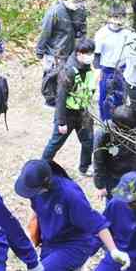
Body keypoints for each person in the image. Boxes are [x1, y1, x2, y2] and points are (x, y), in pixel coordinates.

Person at [13, 159, 130, 271]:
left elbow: (97, 223)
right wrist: (33, 231)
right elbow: (38, 210)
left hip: (75, 245)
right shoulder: (35, 190)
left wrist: (114, 250)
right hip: (50, 242)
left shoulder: (69, 194)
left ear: (47, 183)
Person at [42, 38, 96, 175]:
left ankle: (84, 168)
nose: (91, 56)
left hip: (83, 112)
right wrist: (61, 121)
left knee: (88, 141)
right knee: (55, 143)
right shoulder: (69, 71)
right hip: (67, 113)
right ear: (79, 54)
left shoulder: (87, 68)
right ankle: (41, 168)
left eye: (92, 53)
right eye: (88, 53)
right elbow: (61, 97)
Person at [93, 105, 136, 200]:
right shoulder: (104, 133)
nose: (132, 132)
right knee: (117, 206)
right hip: (114, 178)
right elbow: (98, 160)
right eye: (129, 130)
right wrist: (100, 186)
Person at [93, 3, 133, 122]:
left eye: (121, 17)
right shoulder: (101, 33)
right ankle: (106, 123)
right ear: (109, 17)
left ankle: (120, 123)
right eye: (115, 17)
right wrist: (97, 72)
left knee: (121, 97)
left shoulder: (128, 33)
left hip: (123, 69)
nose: (118, 20)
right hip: (107, 69)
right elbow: (97, 56)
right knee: (105, 99)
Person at [34, 0, 86, 73]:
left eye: (79, 2)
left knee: (66, 79)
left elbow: (82, 31)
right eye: (75, 1)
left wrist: (82, 49)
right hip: (53, 53)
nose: (77, 5)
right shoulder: (54, 12)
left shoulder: (80, 11)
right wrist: (40, 51)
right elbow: (45, 32)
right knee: (50, 78)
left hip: (70, 52)